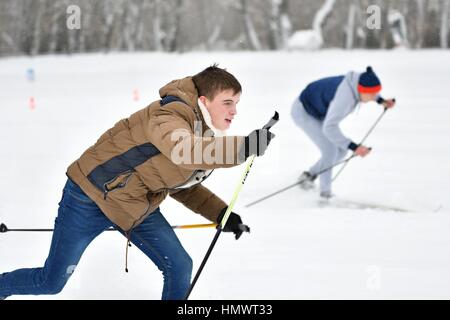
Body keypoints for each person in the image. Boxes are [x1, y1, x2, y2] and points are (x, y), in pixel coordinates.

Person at [0, 65, 275, 300]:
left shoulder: (200, 133)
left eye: (237, 103)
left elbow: (181, 184)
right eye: (228, 102)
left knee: (179, 265)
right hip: (88, 198)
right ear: (204, 100)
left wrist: (221, 213)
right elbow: (184, 150)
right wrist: (242, 147)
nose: (235, 111)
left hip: (133, 205)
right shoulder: (169, 116)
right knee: (51, 282)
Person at [291, 66, 395, 199]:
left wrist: (381, 101)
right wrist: (354, 147)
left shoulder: (358, 81)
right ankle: (325, 194)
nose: (372, 98)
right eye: (370, 95)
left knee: (341, 151)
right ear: (361, 90)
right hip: (303, 112)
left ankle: (307, 177)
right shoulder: (344, 98)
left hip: (318, 111)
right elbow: (329, 128)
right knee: (330, 151)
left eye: (375, 94)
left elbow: (370, 91)